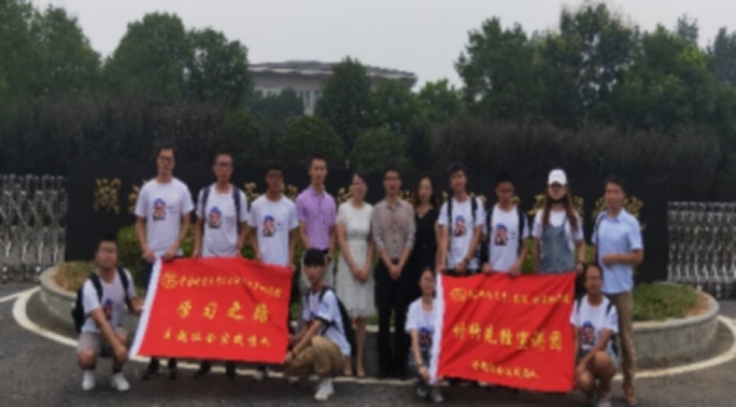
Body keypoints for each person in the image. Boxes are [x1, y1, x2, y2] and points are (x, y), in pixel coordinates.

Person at [134, 143, 194, 380]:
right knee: (153, 310)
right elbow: (139, 221)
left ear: (174, 163)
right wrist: (145, 248)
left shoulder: (181, 189)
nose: (166, 163)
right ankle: (154, 359)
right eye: (163, 158)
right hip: (153, 259)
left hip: (174, 259)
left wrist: (175, 246)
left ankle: (172, 360)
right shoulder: (148, 189)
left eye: (170, 159)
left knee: (173, 311)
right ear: (157, 161)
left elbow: (187, 221)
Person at [191, 152, 249, 380]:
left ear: (232, 169)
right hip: (208, 262)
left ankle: (230, 359)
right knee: (208, 313)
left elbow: (245, 226)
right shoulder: (205, 194)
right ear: (214, 168)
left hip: (230, 262)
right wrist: (197, 248)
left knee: (229, 312)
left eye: (228, 165)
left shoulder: (238, 196)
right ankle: (206, 359)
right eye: (220, 165)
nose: (224, 169)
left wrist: (239, 247)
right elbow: (198, 225)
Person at [592, 176, 643, 407]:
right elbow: (595, 250)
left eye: (616, 191)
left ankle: (629, 385)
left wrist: (616, 258)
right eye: (608, 191)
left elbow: (638, 256)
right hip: (602, 291)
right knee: (600, 340)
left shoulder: (630, 222)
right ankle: (602, 387)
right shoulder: (600, 220)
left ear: (623, 195)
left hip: (621, 289)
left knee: (625, 339)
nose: (611, 196)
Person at [249, 160, 298, 381]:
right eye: (271, 176)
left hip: (281, 273)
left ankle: (288, 366)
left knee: (283, 319)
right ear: (266, 179)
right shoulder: (257, 205)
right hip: (263, 271)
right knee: (262, 318)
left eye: (278, 176)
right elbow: (250, 231)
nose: (275, 180)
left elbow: (292, 236)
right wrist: (256, 251)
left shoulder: (289, 206)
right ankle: (262, 365)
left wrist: (290, 260)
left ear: (282, 180)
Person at [284, 249, 351, 401]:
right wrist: (295, 339)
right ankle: (321, 377)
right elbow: (308, 326)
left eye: (315, 267)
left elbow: (315, 328)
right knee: (294, 365)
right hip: (319, 346)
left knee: (316, 342)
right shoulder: (308, 296)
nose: (311, 271)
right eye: (308, 267)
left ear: (323, 268)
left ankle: (327, 382)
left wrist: (294, 352)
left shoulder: (328, 296)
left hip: (338, 352)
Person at [77, 234, 142, 392]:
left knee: (122, 337)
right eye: (104, 251)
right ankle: (89, 371)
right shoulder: (90, 285)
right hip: (93, 332)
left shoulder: (124, 276)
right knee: (86, 357)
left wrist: (141, 310)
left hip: (114, 328)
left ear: (117, 256)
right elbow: (100, 321)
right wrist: (117, 347)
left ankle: (117, 374)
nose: (108, 255)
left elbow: (133, 302)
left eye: (112, 251)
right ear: (96, 255)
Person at [371, 167, 416, 379]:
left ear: (400, 183)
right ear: (384, 183)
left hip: (403, 267)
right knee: (384, 316)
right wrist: (390, 265)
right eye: (388, 179)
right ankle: (384, 364)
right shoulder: (377, 209)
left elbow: (410, 238)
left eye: (395, 179)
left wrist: (400, 265)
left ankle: (400, 364)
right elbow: (377, 239)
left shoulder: (408, 208)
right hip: (385, 266)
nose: (392, 183)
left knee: (401, 316)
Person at [335, 172, 374, 378]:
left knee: (360, 317)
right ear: (350, 187)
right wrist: (352, 265)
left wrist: (367, 265)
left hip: (364, 263)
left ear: (366, 188)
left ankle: (359, 361)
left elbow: (372, 241)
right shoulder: (343, 208)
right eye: (355, 183)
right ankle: (346, 360)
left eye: (362, 183)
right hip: (347, 263)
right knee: (346, 315)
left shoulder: (370, 210)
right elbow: (340, 238)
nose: (359, 187)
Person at [571, 263, 619, 407]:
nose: (594, 282)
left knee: (600, 359)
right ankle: (592, 391)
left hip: (605, 355)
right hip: (585, 355)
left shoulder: (610, 307)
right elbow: (577, 339)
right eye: (590, 279)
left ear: (602, 282)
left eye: (597, 278)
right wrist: (574, 365)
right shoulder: (578, 305)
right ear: (585, 283)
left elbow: (602, 343)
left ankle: (605, 391)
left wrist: (583, 363)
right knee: (583, 381)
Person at [531, 169, 586, 275]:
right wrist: (535, 273)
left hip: (566, 276)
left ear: (566, 189)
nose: (555, 190)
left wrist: (580, 262)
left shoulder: (573, 217)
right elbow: (536, 248)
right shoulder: (540, 216)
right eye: (553, 186)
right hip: (546, 275)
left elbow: (581, 244)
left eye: (559, 186)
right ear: (548, 189)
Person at [296, 153, 337, 289]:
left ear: (326, 172)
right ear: (310, 171)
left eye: (322, 169)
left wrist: (329, 256)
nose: (318, 173)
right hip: (310, 257)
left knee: (327, 295)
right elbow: (302, 231)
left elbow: (333, 232)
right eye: (316, 169)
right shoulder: (302, 199)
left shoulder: (330, 201)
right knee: (308, 296)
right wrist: (314, 257)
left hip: (326, 258)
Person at [437, 163, 485, 276]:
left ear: (466, 179)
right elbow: (444, 237)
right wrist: (442, 262)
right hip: (452, 265)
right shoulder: (446, 207)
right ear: (450, 183)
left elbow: (478, 234)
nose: (457, 180)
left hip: (472, 265)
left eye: (460, 176)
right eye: (454, 178)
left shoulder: (476, 204)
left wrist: (466, 260)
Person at [481, 171, 530, 275]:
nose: (505, 195)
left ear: (513, 191)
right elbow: (483, 243)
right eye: (502, 191)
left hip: (512, 275)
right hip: (492, 274)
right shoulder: (489, 215)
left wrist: (518, 264)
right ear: (496, 191)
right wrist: (485, 263)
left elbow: (525, 247)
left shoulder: (520, 216)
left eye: (508, 191)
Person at [406, 268, 443, 403]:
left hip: (436, 350)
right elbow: (414, 339)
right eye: (425, 280)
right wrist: (420, 365)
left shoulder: (441, 306)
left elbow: (444, 338)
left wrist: (440, 367)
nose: (428, 283)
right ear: (419, 283)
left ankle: (434, 387)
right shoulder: (413, 307)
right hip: (421, 349)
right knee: (415, 359)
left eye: (431, 280)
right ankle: (424, 384)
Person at [407, 174, 440, 306]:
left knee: (428, 299)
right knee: (412, 299)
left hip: (428, 260)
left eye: (427, 188)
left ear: (432, 191)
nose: (423, 191)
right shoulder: (411, 212)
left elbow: (439, 244)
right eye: (421, 188)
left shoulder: (436, 214)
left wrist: (437, 266)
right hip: (412, 260)